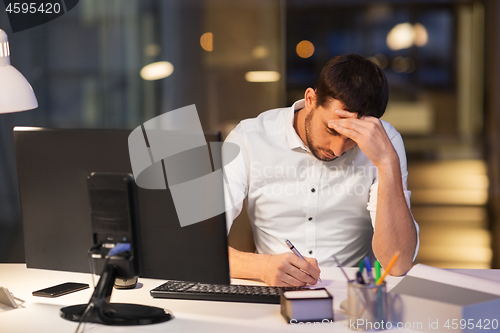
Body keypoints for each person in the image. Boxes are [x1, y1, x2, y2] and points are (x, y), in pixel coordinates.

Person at [223, 54, 419, 287]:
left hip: (355, 293)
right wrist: (261, 266)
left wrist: (387, 163)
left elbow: (397, 263)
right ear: (310, 99)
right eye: (332, 130)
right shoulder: (249, 138)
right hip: (272, 290)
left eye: (352, 138)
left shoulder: (385, 143)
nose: (337, 150)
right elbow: (194, 244)